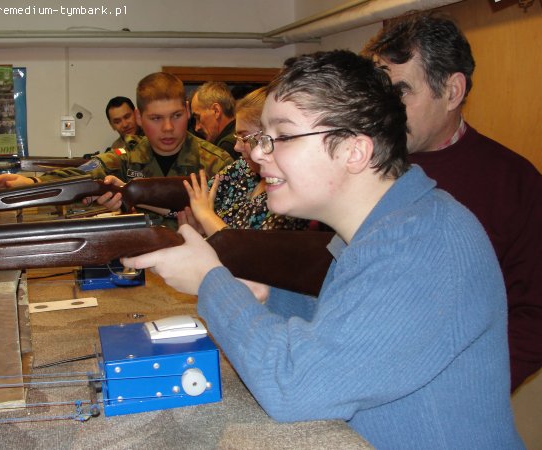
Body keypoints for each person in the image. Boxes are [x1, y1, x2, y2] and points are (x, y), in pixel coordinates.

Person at [121, 50, 523, 449]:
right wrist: (266, 297)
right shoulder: (385, 228)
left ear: (354, 151)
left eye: (283, 136)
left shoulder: (421, 243)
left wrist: (212, 281)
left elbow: (294, 386)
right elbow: (349, 325)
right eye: (262, 137)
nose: (258, 152)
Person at [363, 11, 542, 392]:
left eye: (400, 92)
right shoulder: (359, 165)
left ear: (452, 92)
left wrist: (470, 387)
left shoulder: (515, 182)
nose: (381, 110)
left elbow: (534, 314)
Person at [0, 73, 234, 204]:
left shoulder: (216, 163)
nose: (168, 128)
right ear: (139, 117)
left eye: (176, 116)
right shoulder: (127, 156)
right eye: (156, 118)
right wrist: (32, 181)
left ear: (187, 111)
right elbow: (84, 172)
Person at [179, 87, 308, 237]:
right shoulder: (245, 168)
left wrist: (206, 216)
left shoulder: (290, 191)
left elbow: (251, 248)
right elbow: (195, 199)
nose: (236, 147)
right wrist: (205, 228)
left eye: (245, 138)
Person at [190, 81, 238, 159]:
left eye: (198, 118)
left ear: (216, 111)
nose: (197, 128)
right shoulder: (237, 136)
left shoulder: (228, 146)